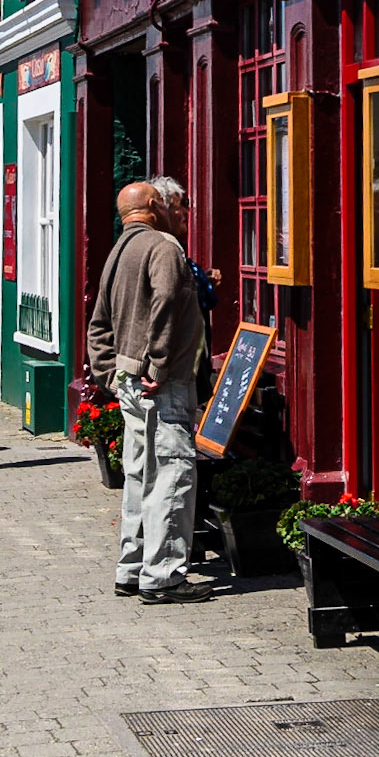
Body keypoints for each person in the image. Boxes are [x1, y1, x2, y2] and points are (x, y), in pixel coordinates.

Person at [86, 177, 211, 605]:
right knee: (172, 473)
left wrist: (108, 371)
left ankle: (132, 567)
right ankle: (164, 576)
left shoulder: (118, 250)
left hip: (128, 380)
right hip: (162, 383)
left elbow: (98, 320)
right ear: (155, 204)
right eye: (175, 205)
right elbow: (168, 301)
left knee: (139, 474)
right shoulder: (163, 247)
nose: (180, 214)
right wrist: (156, 363)